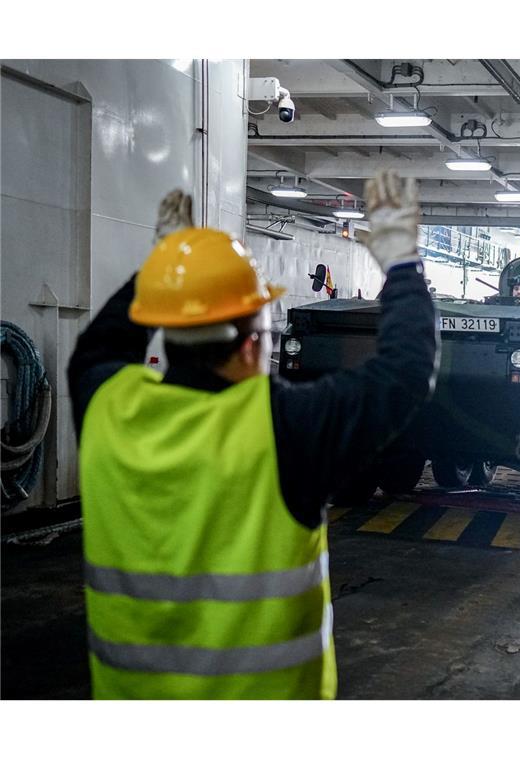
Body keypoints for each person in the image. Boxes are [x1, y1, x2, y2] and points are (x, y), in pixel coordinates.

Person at [66, 170, 437, 699]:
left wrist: (168, 267)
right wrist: (401, 260)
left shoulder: (108, 409)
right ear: (249, 345)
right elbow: (405, 372)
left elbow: (99, 347)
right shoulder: (282, 427)